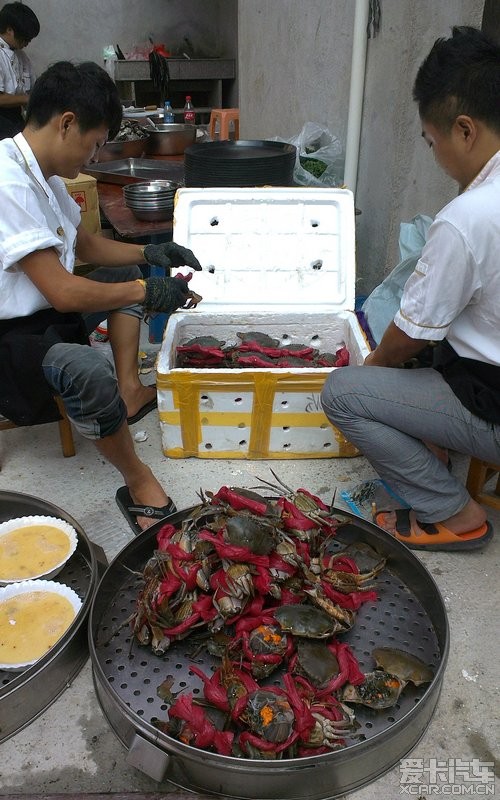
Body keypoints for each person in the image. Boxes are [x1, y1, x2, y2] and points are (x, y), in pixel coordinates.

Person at [0, 60, 203, 534]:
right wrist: (147, 289)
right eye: (94, 144)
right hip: (11, 335)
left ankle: (129, 391)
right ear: (66, 122)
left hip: (47, 314)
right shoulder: (7, 184)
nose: (93, 157)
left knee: (125, 273)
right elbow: (64, 291)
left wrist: (150, 254)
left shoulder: (43, 176)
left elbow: (86, 245)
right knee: (87, 368)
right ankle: (138, 480)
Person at [321, 26, 500, 552]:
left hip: (493, 402)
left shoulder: (470, 216)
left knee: (345, 393)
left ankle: (456, 515)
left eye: (431, 140)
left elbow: (411, 333)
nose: (436, 155)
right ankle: (437, 455)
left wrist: (371, 369)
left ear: (464, 130)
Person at [0, 1, 39, 138]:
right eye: (25, 37)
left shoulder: (21, 56)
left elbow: (32, 86)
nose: (27, 42)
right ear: (9, 30)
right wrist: (26, 99)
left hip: (16, 115)